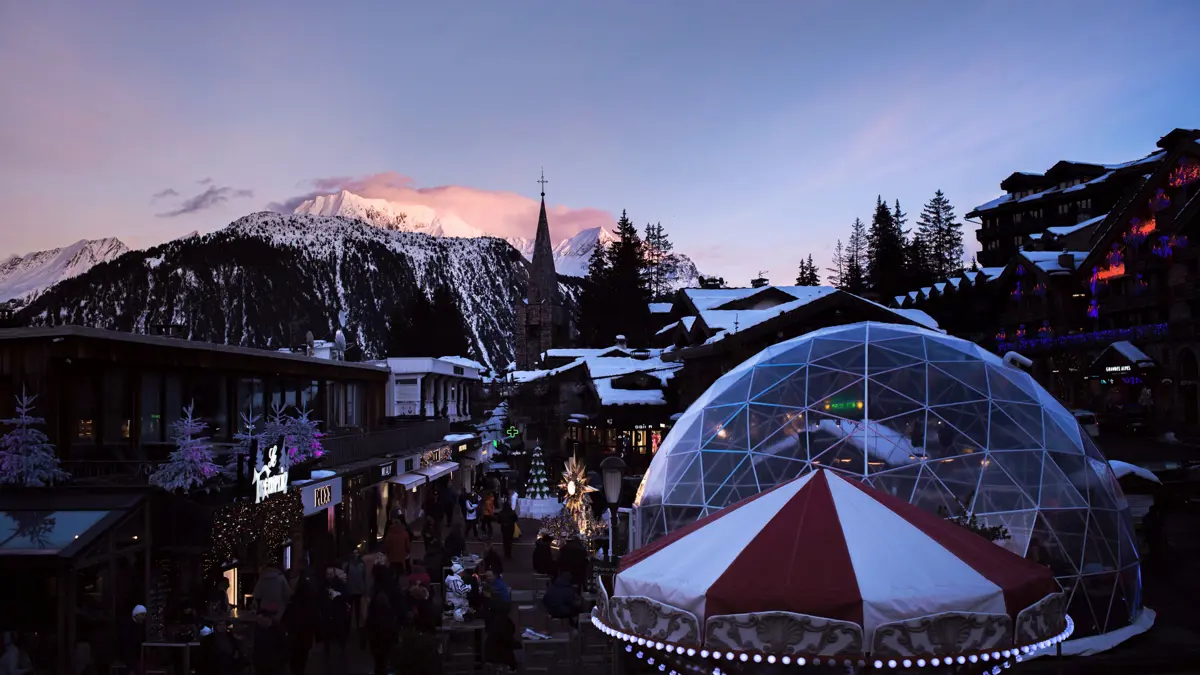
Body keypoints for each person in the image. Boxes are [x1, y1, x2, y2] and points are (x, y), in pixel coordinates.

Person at [317, 566, 352, 675]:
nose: (329, 576)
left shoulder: (340, 584)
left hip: (338, 612)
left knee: (340, 630)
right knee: (327, 631)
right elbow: (320, 596)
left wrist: (338, 595)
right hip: (327, 613)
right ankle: (327, 648)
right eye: (328, 574)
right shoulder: (324, 585)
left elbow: (346, 595)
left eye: (331, 574)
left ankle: (342, 647)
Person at [283, 575, 319, 675]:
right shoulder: (311, 603)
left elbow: (286, 619)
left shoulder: (293, 603)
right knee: (302, 658)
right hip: (305, 635)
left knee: (294, 660)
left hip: (294, 635)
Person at [365, 581, 400, 675]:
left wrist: (364, 641)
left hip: (376, 642)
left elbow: (368, 627)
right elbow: (393, 628)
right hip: (387, 641)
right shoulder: (390, 613)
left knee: (378, 661)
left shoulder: (373, 615)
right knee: (385, 660)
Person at [252, 603, 288, 675]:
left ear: (268, 618)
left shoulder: (278, 630)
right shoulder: (258, 629)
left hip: (274, 665)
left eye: (261, 619)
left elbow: (284, 647)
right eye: (258, 620)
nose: (259, 622)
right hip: (261, 664)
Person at [117, 605, 147, 674]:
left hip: (133, 655)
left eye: (145, 615)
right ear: (136, 615)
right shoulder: (128, 626)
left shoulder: (139, 626)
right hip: (127, 655)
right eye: (142, 615)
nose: (144, 617)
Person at [342, 549, 368, 631]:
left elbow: (364, 577)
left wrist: (364, 588)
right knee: (349, 609)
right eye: (354, 554)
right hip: (350, 590)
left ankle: (357, 626)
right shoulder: (348, 565)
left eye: (356, 554)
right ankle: (348, 627)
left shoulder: (362, 564)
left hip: (359, 590)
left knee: (358, 609)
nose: (355, 555)